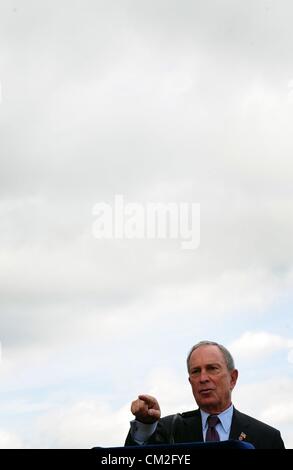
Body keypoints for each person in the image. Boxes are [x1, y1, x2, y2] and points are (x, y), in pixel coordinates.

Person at [125, 340, 285, 449]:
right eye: (196, 371)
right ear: (190, 382)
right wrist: (145, 425)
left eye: (212, 368)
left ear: (233, 379)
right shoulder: (169, 430)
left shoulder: (267, 438)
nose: (203, 378)